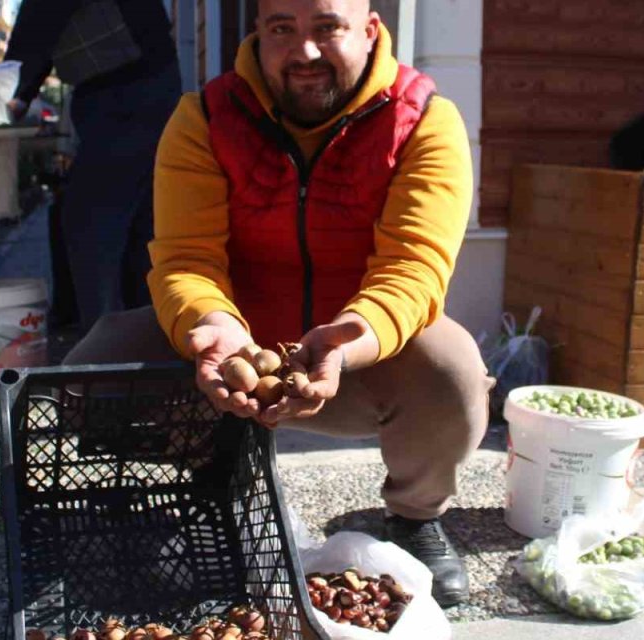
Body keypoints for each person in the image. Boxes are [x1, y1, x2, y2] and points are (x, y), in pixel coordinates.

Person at [66, 0, 491, 606]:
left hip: (355, 356)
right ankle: (215, 472)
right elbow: (186, 258)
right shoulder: (203, 118)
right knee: (92, 366)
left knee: (453, 367)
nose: (305, 52)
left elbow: (413, 269)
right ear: (259, 35)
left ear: (369, 32)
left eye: (327, 29)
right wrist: (214, 328)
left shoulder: (424, 119)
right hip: (233, 351)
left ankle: (415, 516)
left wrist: (350, 336)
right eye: (282, 29)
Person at [4, 0, 181, 333]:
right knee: (137, 225)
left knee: (90, 221)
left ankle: (105, 354)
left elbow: (42, 16)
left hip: (129, 86)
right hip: (138, 80)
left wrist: (14, 89)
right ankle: (143, 346)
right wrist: (18, 83)